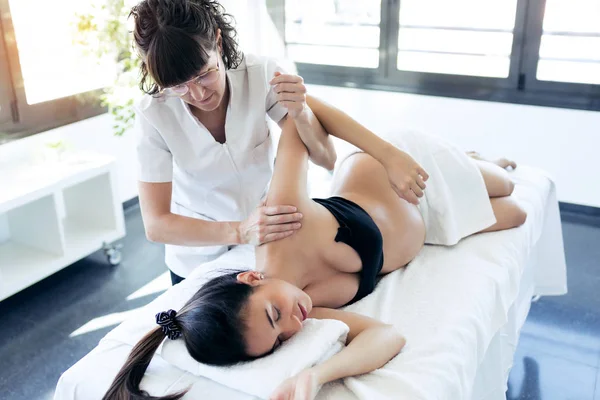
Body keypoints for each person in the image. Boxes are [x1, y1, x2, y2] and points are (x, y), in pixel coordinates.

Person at [103, 97, 527, 400]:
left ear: (251, 277)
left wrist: (389, 154)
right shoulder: (299, 312)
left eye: (273, 315)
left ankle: (465, 158)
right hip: (429, 226)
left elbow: (299, 114)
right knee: (516, 214)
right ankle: (468, 163)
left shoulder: (282, 224)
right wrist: (317, 375)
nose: (292, 326)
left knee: (506, 185)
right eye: (278, 339)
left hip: (403, 174)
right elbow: (387, 336)